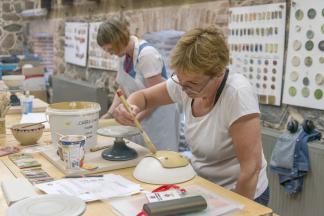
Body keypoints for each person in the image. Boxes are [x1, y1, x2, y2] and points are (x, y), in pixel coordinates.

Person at [113, 25, 269, 205]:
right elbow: (144, 97)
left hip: (242, 192)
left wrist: (241, 209)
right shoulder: (185, 85)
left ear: (218, 73)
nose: (184, 90)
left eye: (193, 84)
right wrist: (131, 106)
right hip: (205, 188)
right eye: (181, 82)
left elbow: (251, 170)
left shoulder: (237, 93)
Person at [97, 19, 179, 151]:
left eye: (111, 49)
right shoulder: (123, 56)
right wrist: (110, 114)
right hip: (139, 115)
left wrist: (133, 120)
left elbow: (156, 97)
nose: (109, 53)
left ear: (118, 39)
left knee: (159, 158)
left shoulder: (146, 54)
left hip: (158, 118)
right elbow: (122, 89)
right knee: (140, 156)